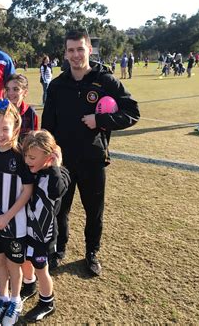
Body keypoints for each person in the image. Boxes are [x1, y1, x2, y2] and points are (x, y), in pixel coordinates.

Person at [42, 29, 140, 276]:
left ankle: (92, 252)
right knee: (60, 209)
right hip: (62, 162)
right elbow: (48, 126)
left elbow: (132, 113)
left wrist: (100, 119)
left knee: (93, 210)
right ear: (65, 52)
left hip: (92, 159)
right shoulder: (56, 85)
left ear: (89, 50)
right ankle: (59, 248)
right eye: (71, 50)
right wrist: (48, 155)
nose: (76, 55)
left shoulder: (106, 81)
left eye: (80, 49)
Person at [0, 98, 34, 325]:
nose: (0, 134)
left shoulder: (19, 156)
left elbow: (27, 190)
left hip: (14, 222)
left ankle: (15, 300)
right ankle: (2, 297)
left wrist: (8, 216)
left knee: (13, 263)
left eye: (5, 129)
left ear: (16, 129)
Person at [20, 130, 70, 322]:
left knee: (41, 267)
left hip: (44, 233)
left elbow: (56, 191)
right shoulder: (33, 170)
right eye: (26, 156)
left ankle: (47, 302)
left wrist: (56, 165)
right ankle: (29, 284)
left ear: (49, 156)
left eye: (32, 157)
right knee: (25, 258)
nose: (27, 160)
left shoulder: (59, 174)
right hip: (27, 228)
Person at [3, 74, 38, 140]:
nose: (10, 93)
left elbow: (33, 139)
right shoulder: (0, 112)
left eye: (15, 89)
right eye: (8, 89)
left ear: (25, 92)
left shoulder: (31, 113)